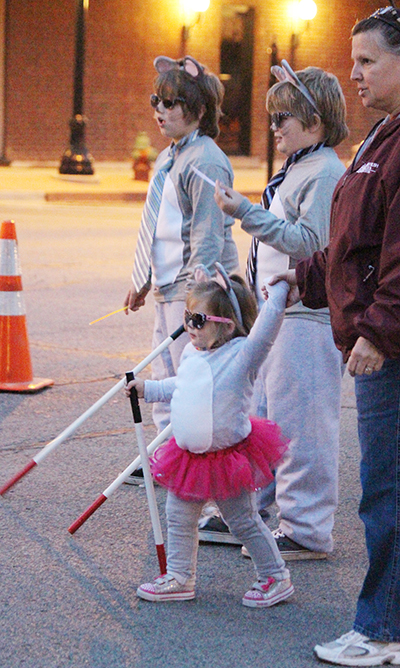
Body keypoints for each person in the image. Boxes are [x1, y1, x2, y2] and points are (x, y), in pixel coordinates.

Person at [271, 7, 400, 665]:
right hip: (369, 340)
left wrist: (377, 329)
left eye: (369, 60)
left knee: (387, 491)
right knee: (384, 488)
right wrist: (301, 280)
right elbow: (353, 245)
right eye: (353, 60)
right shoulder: (379, 139)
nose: (355, 73)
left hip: (389, 351)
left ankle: (382, 630)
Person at [209, 64, 348, 560]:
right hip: (277, 314)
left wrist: (246, 212)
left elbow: (309, 244)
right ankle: (252, 514)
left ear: (315, 118)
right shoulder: (300, 167)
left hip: (305, 315)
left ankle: (307, 528)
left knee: (302, 423)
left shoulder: (326, 171)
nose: (274, 126)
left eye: (282, 115)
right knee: (263, 418)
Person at [125, 264, 294, 607]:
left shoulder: (242, 356)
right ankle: (179, 577)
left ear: (227, 326)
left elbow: (265, 332)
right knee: (179, 518)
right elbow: (183, 384)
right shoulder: (193, 351)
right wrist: (149, 388)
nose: (189, 326)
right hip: (188, 458)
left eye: (198, 321)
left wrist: (277, 294)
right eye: (188, 317)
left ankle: (275, 576)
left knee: (243, 522)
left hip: (226, 458)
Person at [123, 55, 239, 484]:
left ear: (199, 110)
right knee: (163, 376)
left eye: (172, 102)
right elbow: (161, 225)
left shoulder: (205, 161)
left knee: (186, 380)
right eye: (157, 99)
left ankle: (189, 463)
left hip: (192, 289)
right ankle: (166, 456)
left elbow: (207, 236)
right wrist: (144, 280)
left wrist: (197, 300)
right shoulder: (170, 157)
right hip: (166, 287)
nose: (160, 110)